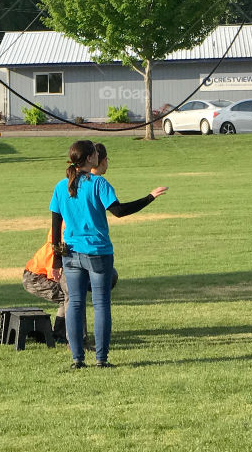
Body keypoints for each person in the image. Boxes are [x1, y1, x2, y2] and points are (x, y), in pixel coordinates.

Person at [49, 139, 167, 369]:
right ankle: (101, 359)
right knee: (101, 304)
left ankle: (77, 360)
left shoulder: (60, 186)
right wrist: (150, 197)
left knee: (75, 304)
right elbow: (120, 211)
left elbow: (55, 226)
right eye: (94, 153)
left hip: (71, 254)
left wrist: (56, 259)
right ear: (90, 159)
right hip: (98, 253)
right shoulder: (98, 183)